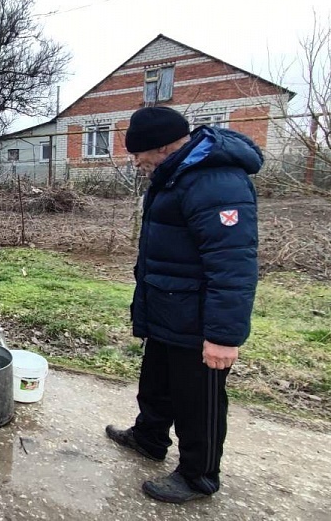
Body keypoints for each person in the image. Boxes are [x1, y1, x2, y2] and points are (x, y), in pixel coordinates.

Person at [106, 106, 262, 503]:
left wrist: (223, 337)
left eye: (138, 153)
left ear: (160, 147)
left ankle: (199, 476)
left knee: (199, 399)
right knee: (156, 380)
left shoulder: (215, 180)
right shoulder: (177, 173)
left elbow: (232, 264)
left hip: (198, 319)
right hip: (168, 307)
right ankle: (149, 436)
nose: (136, 161)